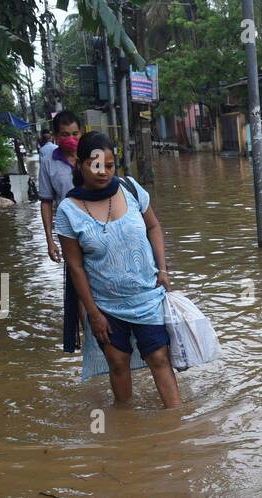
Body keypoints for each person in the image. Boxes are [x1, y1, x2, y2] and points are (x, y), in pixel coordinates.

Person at [53, 131, 181, 409]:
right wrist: (94, 314)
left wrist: (163, 269)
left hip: (147, 296)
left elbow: (154, 226)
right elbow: (74, 266)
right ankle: (125, 424)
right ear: (80, 165)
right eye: (94, 165)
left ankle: (177, 422)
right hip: (106, 305)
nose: (103, 172)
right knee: (118, 363)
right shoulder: (68, 210)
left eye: (109, 166)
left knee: (159, 357)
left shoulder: (131, 189)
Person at [38, 111, 85, 354]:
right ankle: (90, 335)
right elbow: (46, 201)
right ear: (56, 137)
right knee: (78, 286)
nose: (71, 139)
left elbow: (108, 187)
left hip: (98, 230)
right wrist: (49, 240)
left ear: (82, 133)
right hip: (70, 235)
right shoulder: (49, 163)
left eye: (75, 134)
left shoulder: (92, 155)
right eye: (65, 135)